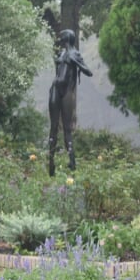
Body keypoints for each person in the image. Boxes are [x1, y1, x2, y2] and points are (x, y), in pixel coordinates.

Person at [47, 29, 92, 177]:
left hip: (67, 91)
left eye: (62, 36)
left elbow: (88, 71)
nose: (60, 37)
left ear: (67, 37)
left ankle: (72, 162)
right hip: (55, 88)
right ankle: (50, 162)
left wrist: (76, 63)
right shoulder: (60, 54)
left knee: (66, 128)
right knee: (53, 126)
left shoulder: (75, 54)